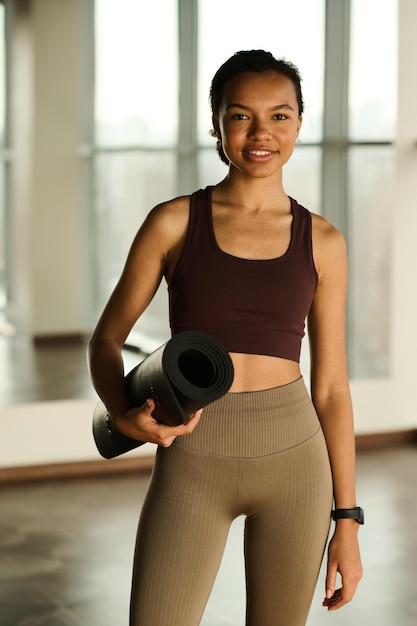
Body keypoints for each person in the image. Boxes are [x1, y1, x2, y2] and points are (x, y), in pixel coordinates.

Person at [88, 49, 363, 626]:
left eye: (280, 116)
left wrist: (347, 522)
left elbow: (333, 389)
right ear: (216, 126)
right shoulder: (174, 222)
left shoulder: (325, 242)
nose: (261, 133)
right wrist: (122, 414)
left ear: (299, 124)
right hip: (193, 455)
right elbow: (107, 340)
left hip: (296, 462)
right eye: (241, 116)